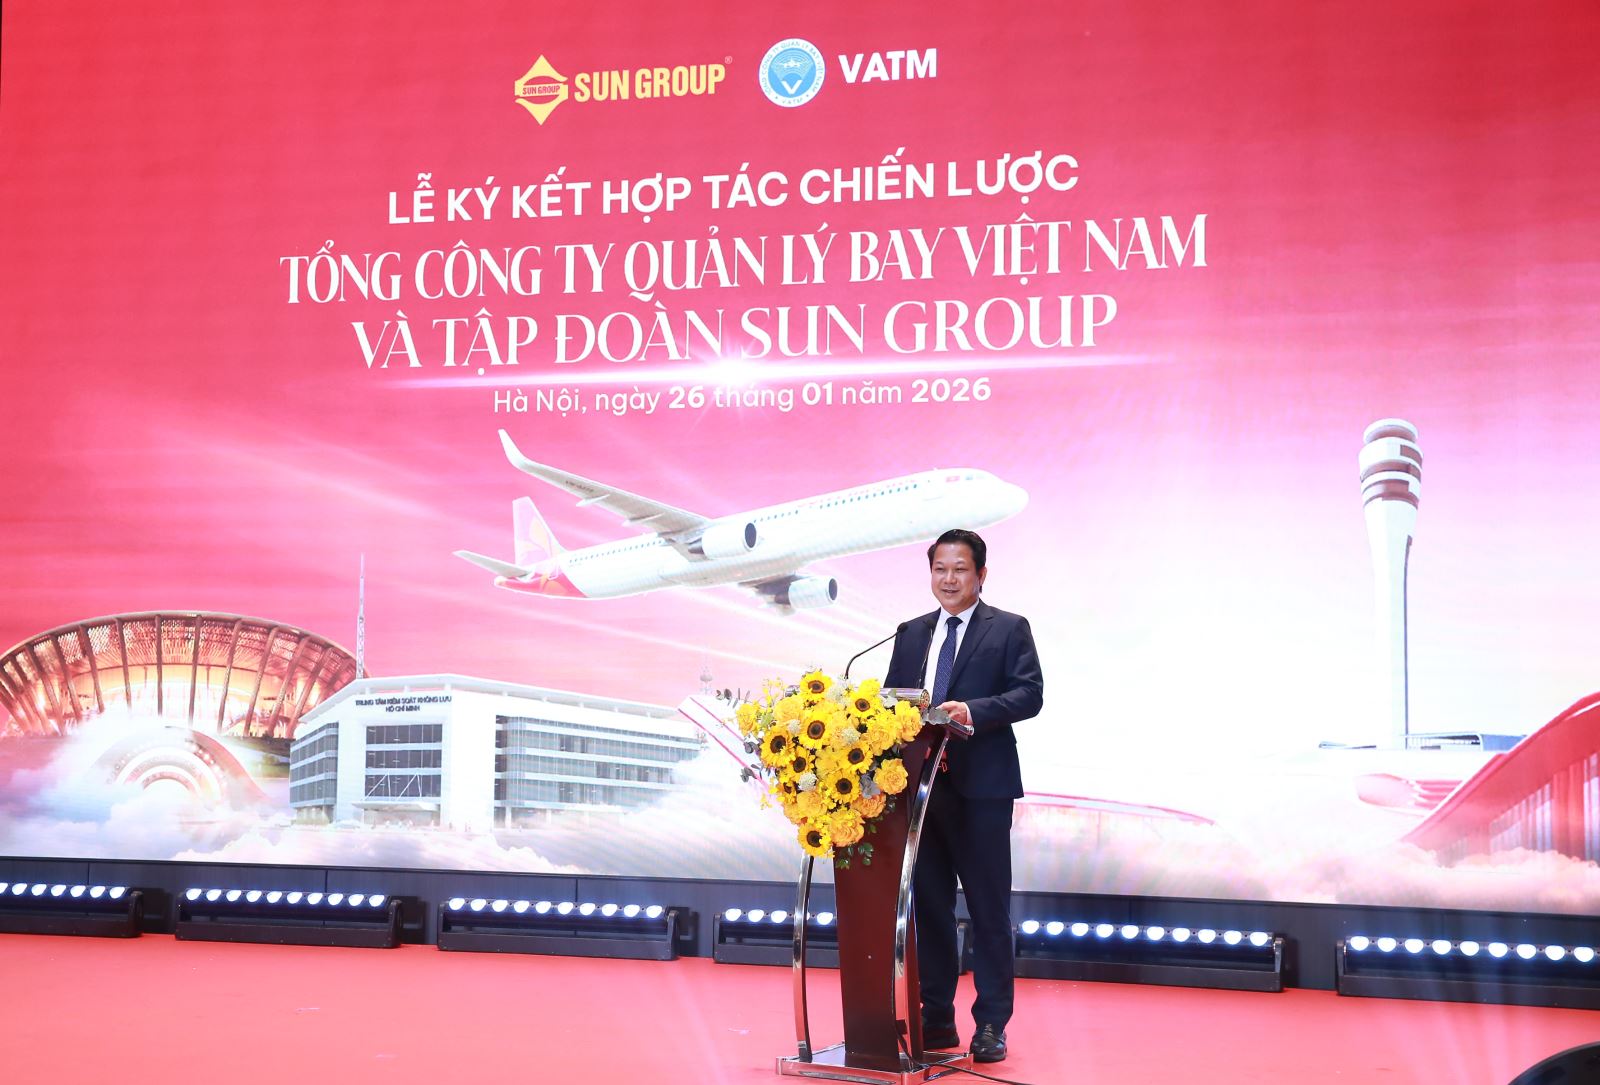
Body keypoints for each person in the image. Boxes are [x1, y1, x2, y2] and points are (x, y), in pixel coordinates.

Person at [882, 528, 1044, 1065]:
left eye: (959, 569)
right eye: (940, 569)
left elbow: (1030, 694)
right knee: (929, 908)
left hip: (982, 792)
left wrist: (973, 710)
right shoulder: (911, 633)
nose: (948, 579)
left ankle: (992, 1024)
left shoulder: (1009, 628)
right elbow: (889, 702)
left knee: (987, 910)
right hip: (922, 792)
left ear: (981, 574)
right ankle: (936, 1017)